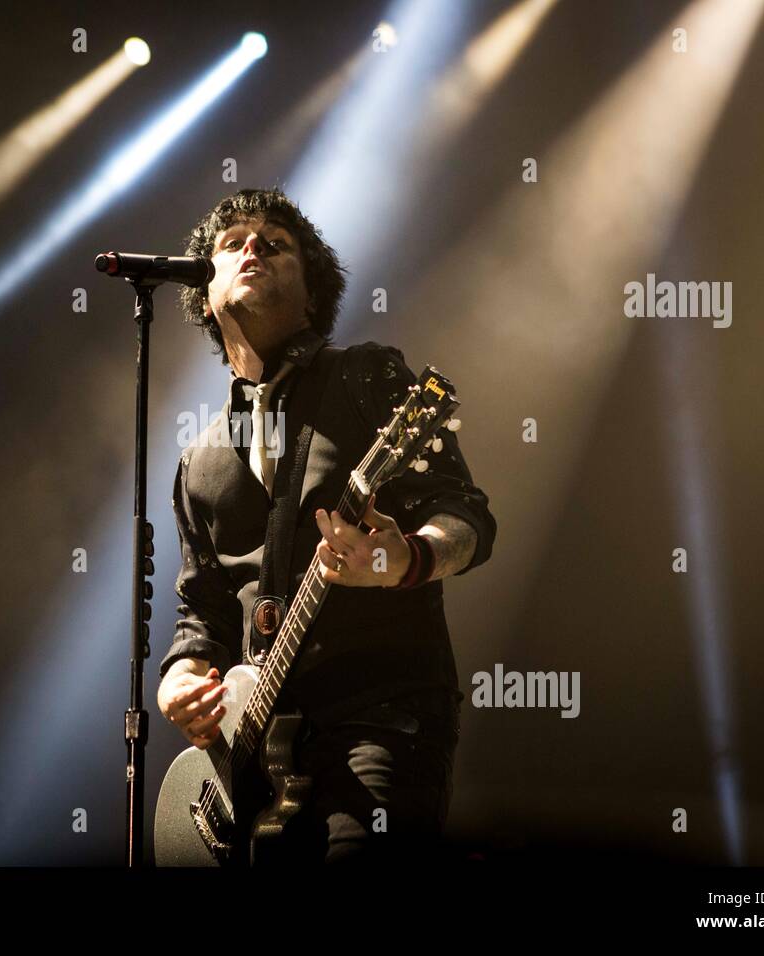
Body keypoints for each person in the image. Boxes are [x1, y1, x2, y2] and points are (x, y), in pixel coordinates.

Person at [155, 187, 496, 864]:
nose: (252, 248)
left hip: (379, 719)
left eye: (274, 244)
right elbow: (203, 614)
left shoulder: (367, 377)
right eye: (233, 243)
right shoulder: (199, 460)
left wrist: (405, 560)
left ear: (312, 294)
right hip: (249, 769)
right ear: (205, 292)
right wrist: (181, 681)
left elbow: (465, 516)